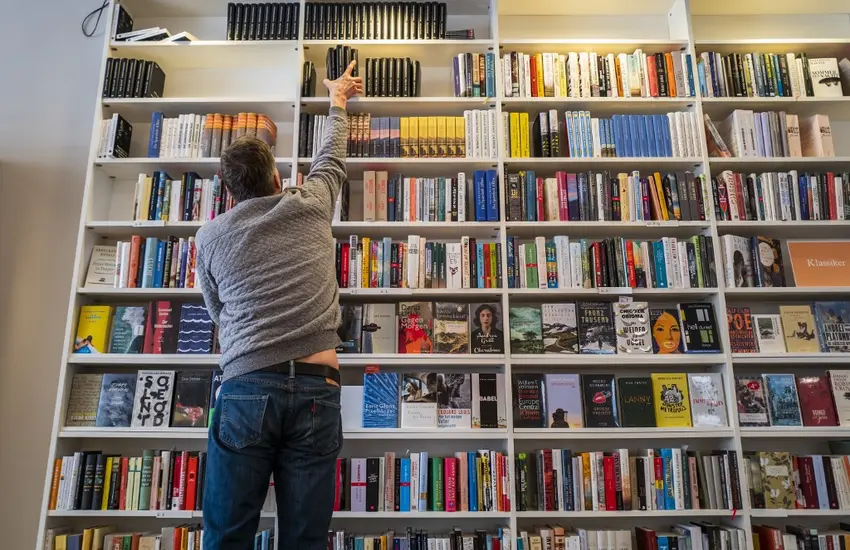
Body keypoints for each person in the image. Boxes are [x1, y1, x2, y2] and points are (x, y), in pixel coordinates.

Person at [195, 61, 362, 550]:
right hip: (317, 385)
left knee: (227, 536)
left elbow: (218, 313)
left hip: (246, 384)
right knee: (305, 539)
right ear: (275, 176)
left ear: (228, 190)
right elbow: (331, 160)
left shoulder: (210, 237)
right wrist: (337, 100)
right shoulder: (310, 203)